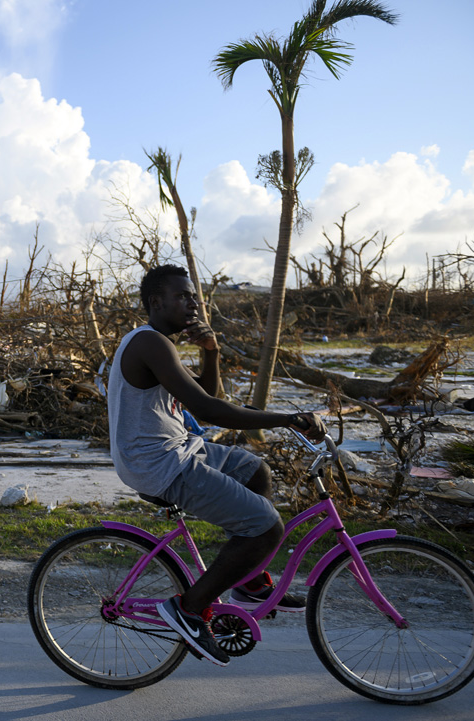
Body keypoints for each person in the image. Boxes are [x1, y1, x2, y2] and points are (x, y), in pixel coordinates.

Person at [107, 264, 327, 666]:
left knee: (253, 470)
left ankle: (249, 581)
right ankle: (190, 609)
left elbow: (203, 396)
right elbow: (212, 409)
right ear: (156, 303)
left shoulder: (158, 343)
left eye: (194, 295)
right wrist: (285, 418)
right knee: (267, 528)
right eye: (182, 296)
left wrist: (212, 352)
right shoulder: (149, 344)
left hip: (178, 448)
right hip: (159, 464)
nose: (193, 302)